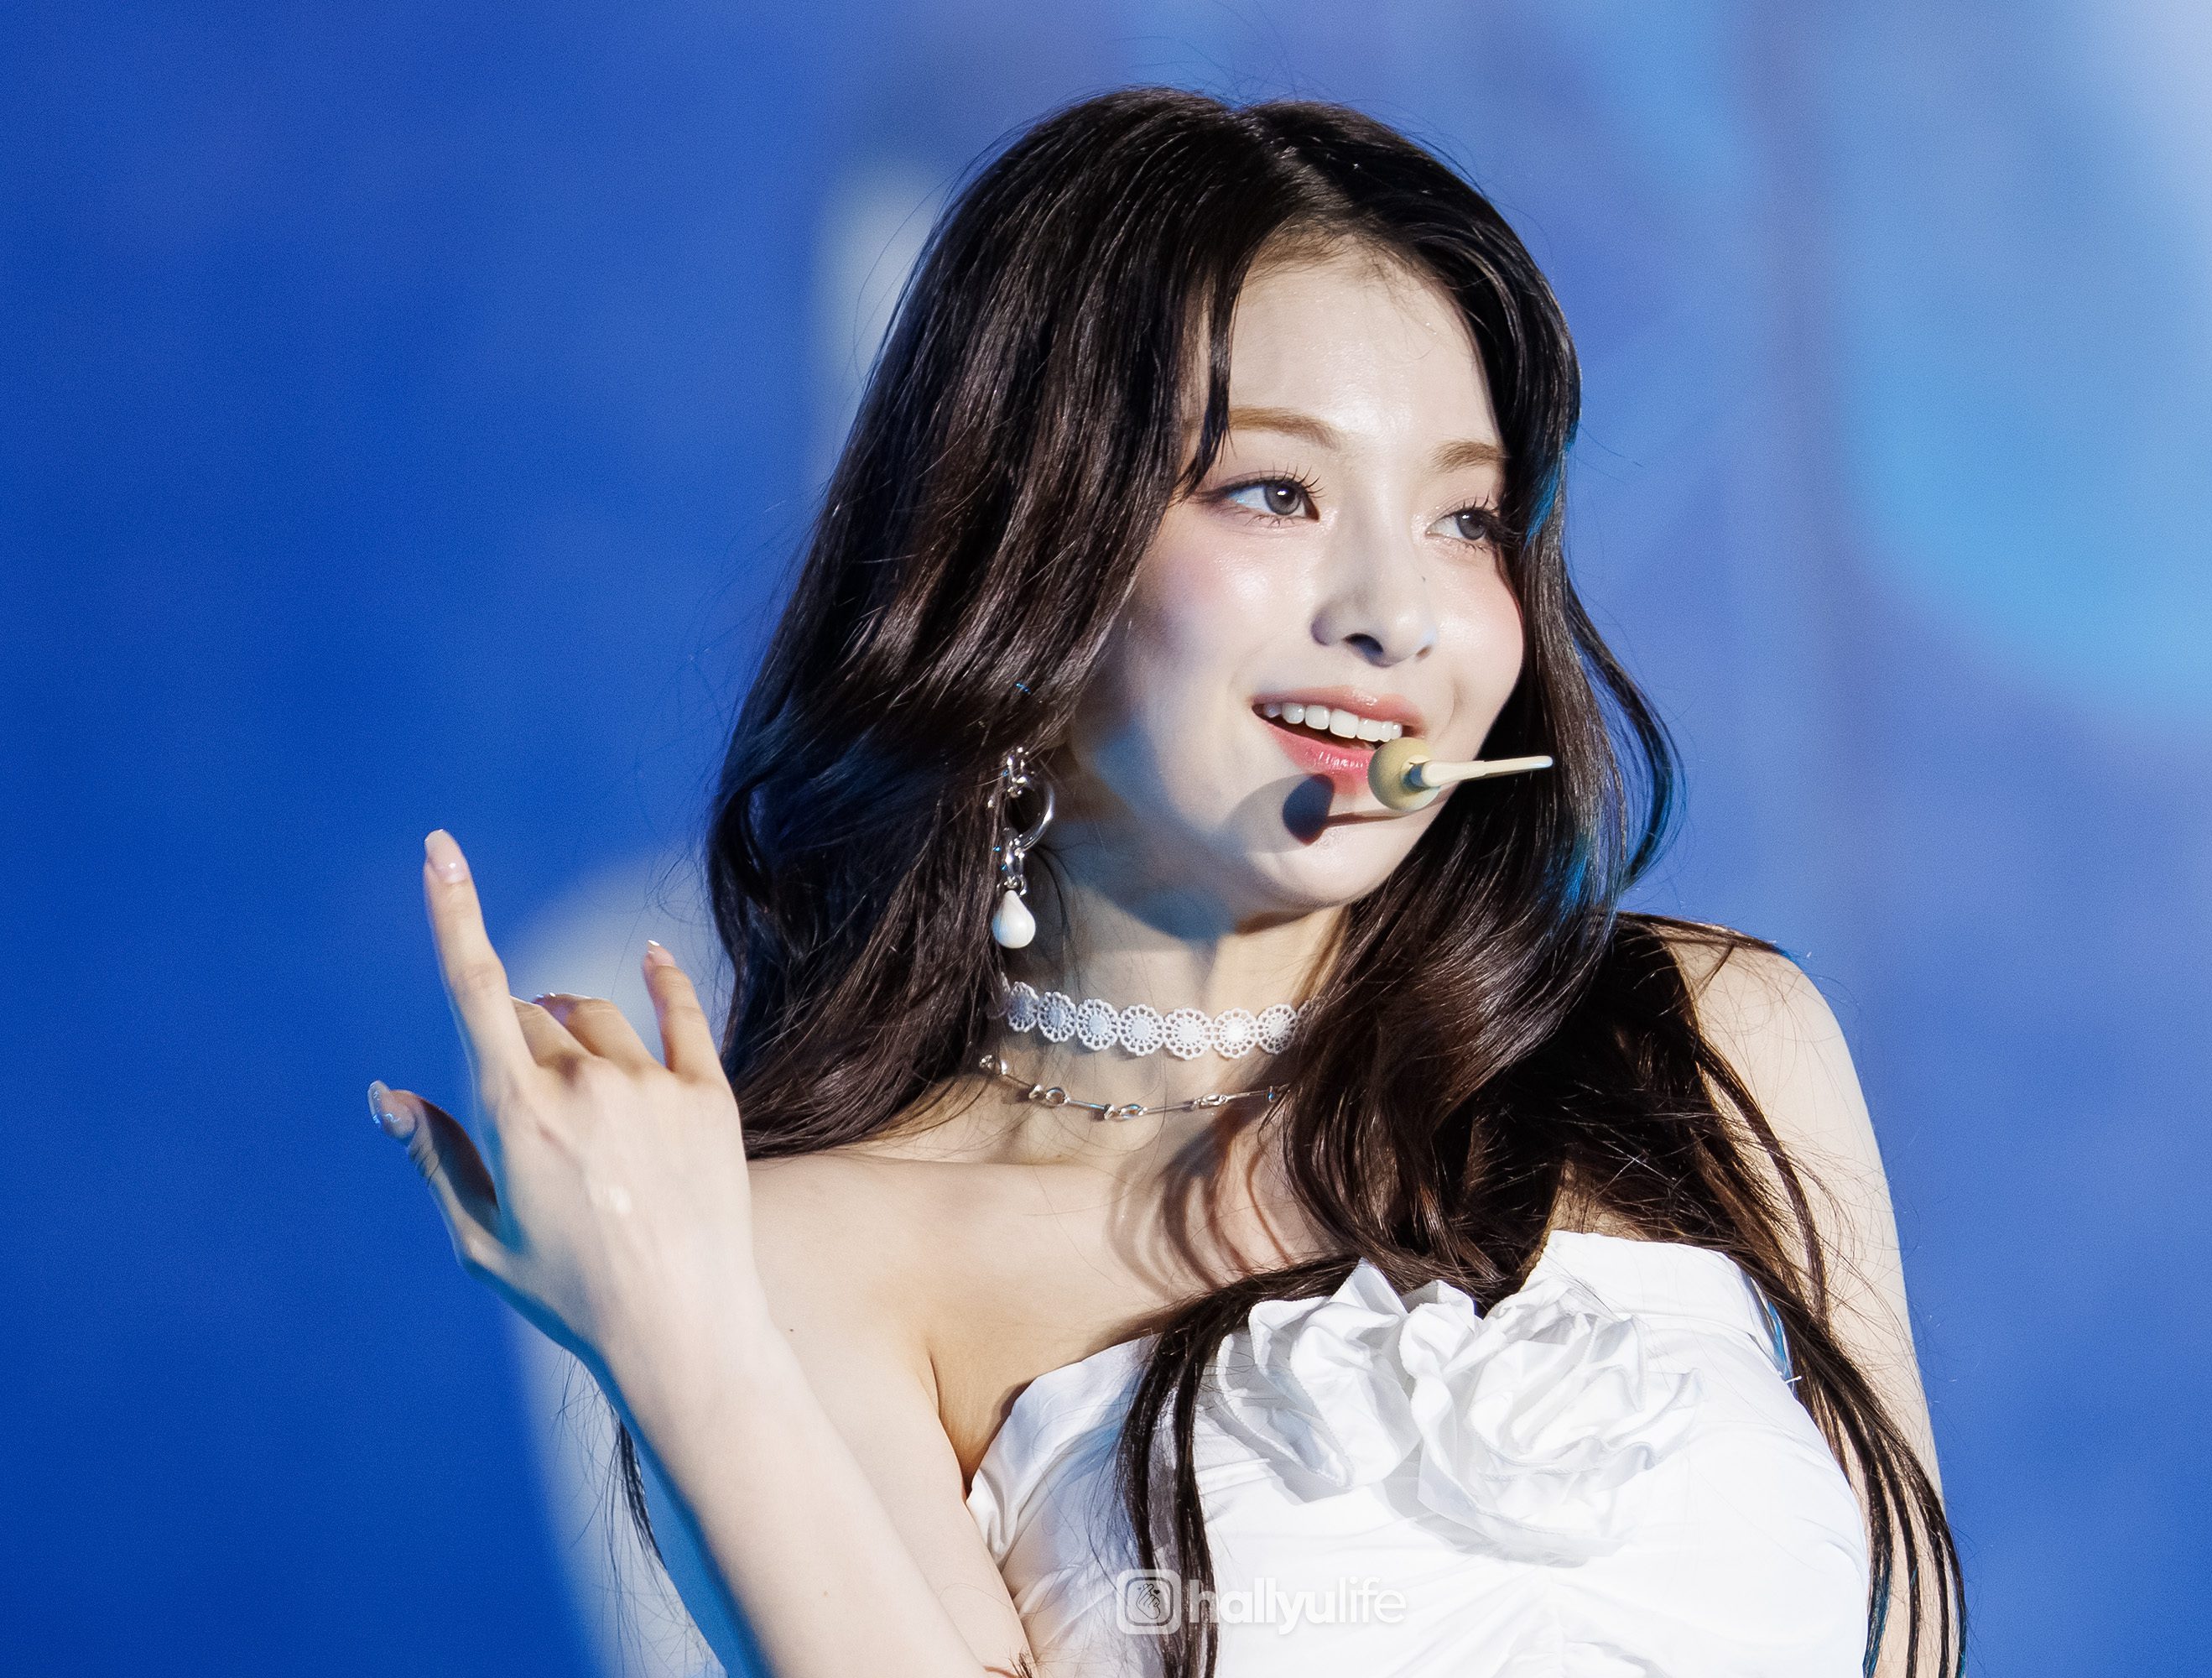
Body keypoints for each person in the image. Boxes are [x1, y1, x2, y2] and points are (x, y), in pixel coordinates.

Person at [367, 86, 1966, 1678]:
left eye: (1466, 518)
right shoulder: (825, 1254)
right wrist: (676, 1335)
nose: (1397, 614)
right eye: (1274, 492)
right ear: (1020, 549)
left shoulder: (1708, 1040)